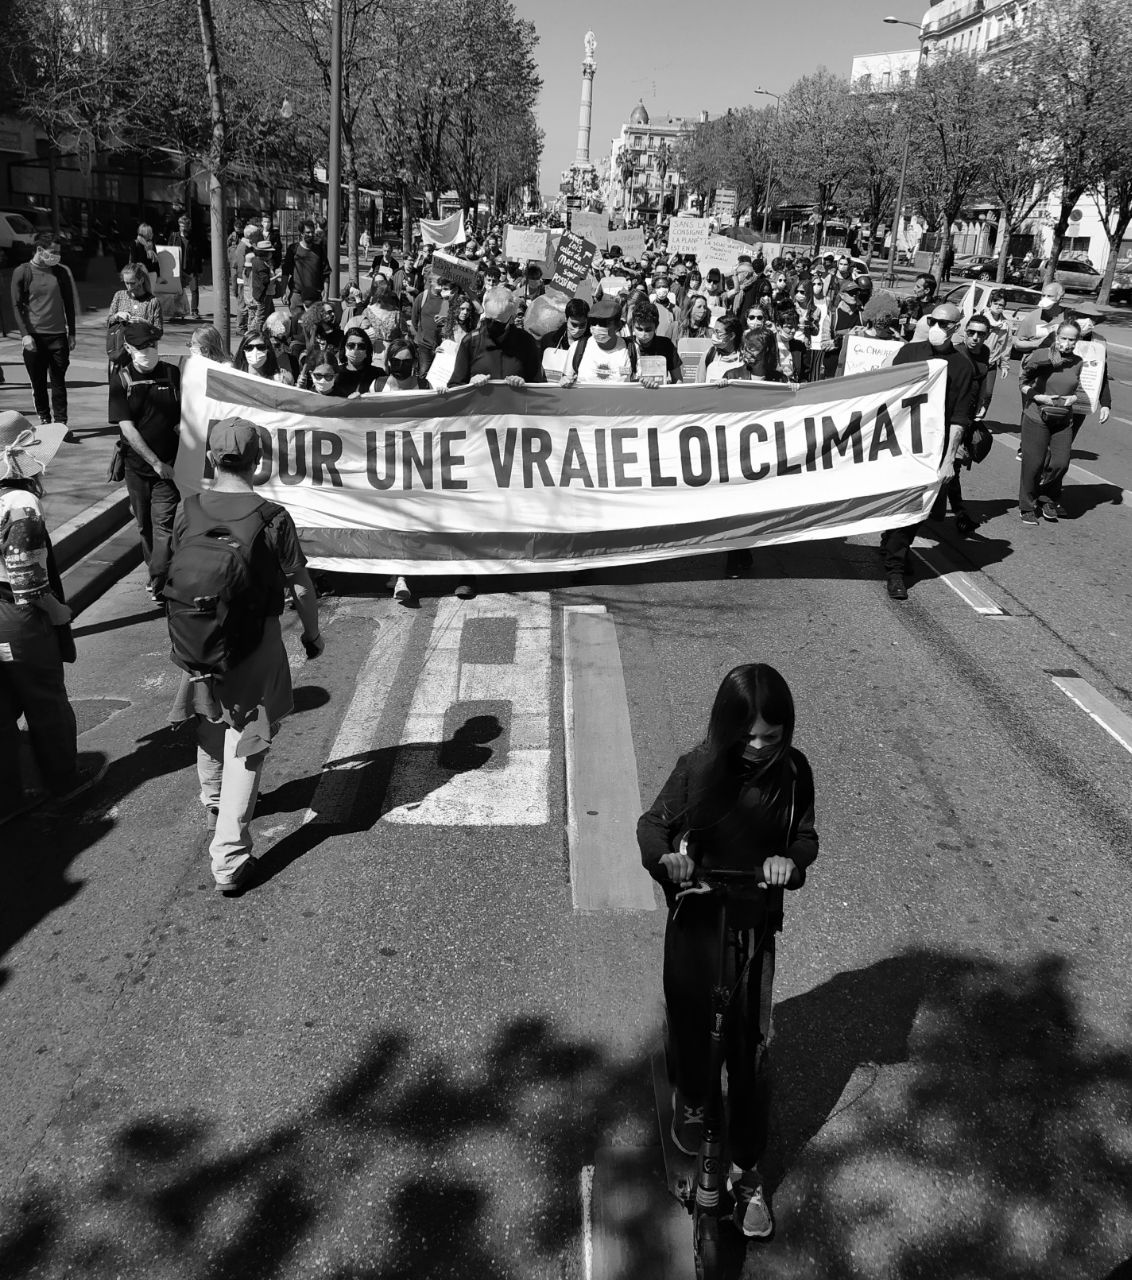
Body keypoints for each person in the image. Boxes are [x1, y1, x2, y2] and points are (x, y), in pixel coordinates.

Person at [637, 663, 819, 1241]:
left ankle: (747, 1168)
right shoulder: (698, 767)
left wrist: (790, 862)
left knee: (749, 1052)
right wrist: (667, 859)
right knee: (693, 1025)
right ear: (727, 728)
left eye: (773, 735)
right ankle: (691, 1096)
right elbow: (653, 825)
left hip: (754, 930)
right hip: (697, 921)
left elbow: (805, 836)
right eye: (749, 736)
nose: (761, 747)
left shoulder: (793, 773)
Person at [167, 418, 323, 893]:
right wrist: (312, 635)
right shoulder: (272, 517)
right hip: (255, 645)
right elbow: (299, 584)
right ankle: (230, 858)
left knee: (210, 717)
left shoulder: (187, 509)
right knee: (249, 738)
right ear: (259, 461)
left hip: (196, 638)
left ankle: (214, 796)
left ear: (212, 458)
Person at [0, 412, 107, 824]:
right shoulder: (21, 503)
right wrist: (58, 611)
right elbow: (26, 577)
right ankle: (65, 782)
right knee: (45, 702)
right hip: (19, 617)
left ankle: (8, 795)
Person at [881, 301, 977, 598]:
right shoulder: (910, 353)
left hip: (931, 450)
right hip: (897, 442)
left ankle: (895, 559)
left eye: (944, 324)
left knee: (917, 509)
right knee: (896, 503)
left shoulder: (963, 368)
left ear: (956, 328)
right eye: (933, 321)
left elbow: (960, 419)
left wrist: (950, 459)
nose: (936, 328)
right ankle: (894, 556)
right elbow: (884, 391)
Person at [109, 321, 182, 604]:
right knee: (145, 527)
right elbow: (127, 428)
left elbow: (183, 416)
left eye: (153, 345)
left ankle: (160, 580)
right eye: (142, 347)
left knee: (163, 526)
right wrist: (153, 462)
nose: (149, 351)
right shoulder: (122, 380)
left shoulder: (172, 374)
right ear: (129, 349)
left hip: (169, 468)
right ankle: (157, 574)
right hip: (138, 469)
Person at [1017, 320, 1083, 524]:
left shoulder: (1078, 361)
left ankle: (1046, 497)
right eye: (1064, 338)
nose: (1068, 343)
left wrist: (1075, 398)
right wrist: (1038, 397)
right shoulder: (1041, 355)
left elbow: (1077, 386)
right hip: (1037, 415)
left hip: (1063, 418)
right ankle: (1027, 505)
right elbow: (1023, 382)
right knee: (1034, 463)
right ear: (1056, 337)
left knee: (1060, 463)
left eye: (1072, 339)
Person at [10, 234, 77, 431]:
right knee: (38, 382)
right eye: (53, 252)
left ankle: (61, 423)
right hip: (34, 337)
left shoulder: (61, 272)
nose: (57, 256)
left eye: (59, 252)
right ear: (40, 250)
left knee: (58, 383)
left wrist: (71, 332)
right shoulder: (22, 272)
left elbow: (69, 303)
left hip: (58, 336)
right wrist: (25, 335)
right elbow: (15, 305)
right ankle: (44, 418)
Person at [449, 286, 544, 388]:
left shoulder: (526, 341)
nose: (491, 325)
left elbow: (537, 386)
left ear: (511, 318)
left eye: (498, 322)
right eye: (489, 319)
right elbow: (455, 386)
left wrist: (523, 383)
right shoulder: (471, 341)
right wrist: (471, 383)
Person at [106, 265, 163, 392]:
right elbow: (109, 322)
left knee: (138, 392)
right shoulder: (119, 296)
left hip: (142, 356)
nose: (129, 286)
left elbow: (159, 332)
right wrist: (117, 315)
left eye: (132, 283)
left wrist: (145, 323)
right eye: (126, 283)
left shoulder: (153, 302)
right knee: (118, 392)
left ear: (141, 280)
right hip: (120, 352)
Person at [560, 296, 636, 386]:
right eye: (593, 322)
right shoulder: (577, 348)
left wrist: (648, 382)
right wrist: (564, 381)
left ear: (617, 326)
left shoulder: (631, 349)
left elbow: (638, 384)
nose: (597, 327)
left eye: (603, 323)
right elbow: (566, 380)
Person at [631, 300, 682, 385]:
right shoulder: (626, 345)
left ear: (656, 326)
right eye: (639, 329)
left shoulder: (666, 345)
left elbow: (677, 379)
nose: (643, 334)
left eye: (648, 330)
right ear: (633, 325)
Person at [282, 221, 330, 308]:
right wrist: (283, 292)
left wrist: (326, 294)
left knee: (314, 321)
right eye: (308, 232)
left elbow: (326, 273)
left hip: (315, 296)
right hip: (297, 295)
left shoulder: (319, 250)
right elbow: (285, 273)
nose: (311, 235)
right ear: (301, 234)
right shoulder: (293, 249)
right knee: (296, 320)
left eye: (312, 232)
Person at [167, 214, 204, 320]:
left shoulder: (194, 238)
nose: (183, 228)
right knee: (177, 290)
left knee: (194, 289)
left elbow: (198, 255)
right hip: (178, 268)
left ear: (189, 226)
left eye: (185, 226)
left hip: (191, 268)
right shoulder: (174, 236)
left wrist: (199, 270)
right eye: (181, 226)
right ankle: (176, 311)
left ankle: (194, 311)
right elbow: (168, 251)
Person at [703, 315, 747, 382]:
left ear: (732, 336)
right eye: (713, 331)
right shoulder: (709, 355)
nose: (714, 335)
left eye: (718, 332)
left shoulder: (745, 357)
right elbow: (699, 384)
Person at [337, 327, 379, 396]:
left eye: (361, 346)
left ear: (367, 350)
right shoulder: (334, 374)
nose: (355, 350)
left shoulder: (377, 374)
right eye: (351, 345)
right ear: (344, 347)